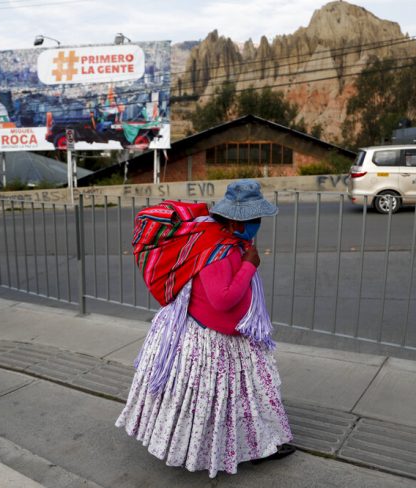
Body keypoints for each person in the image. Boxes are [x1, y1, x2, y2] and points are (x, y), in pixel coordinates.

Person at [117, 179, 294, 478]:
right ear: (237, 220)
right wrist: (250, 264)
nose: (258, 225)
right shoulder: (218, 249)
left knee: (233, 399)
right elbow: (222, 298)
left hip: (223, 333)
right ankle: (227, 448)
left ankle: (251, 445)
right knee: (220, 400)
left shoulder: (220, 238)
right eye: (255, 219)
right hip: (209, 339)